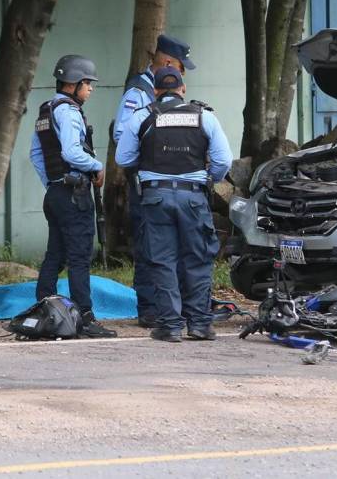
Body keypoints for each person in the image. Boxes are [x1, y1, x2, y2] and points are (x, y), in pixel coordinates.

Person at [115, 66, 233, 343]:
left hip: (155, 198)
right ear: (182, 89)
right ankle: (200, 324)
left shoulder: (141, 117)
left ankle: (169, 326)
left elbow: (123, 159)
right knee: (198, 258)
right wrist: (208, 179)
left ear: (154, 91)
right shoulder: (205, 117)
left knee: (162, 260)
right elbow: (223, 161)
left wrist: (148, 167)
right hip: (193, 197)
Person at [112, 34, 196, 328]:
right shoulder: (139, 92)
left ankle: (168, 306)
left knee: (168, 246)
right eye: (181, 67)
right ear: (168, 62)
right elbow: (122, 136)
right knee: (150, 244)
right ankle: (149, 308)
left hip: (165, 182)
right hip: (147, 181)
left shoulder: (157, 94)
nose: (182, 74)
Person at [30, 54, 117, 338]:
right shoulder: (67, 111)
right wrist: (96, 165)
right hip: (73, 195)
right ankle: (85, 319)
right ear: (74, 83)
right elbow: (71, 152)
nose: (90, 89)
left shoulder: (46, 110)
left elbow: (35, 155)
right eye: (87, 84)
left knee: (54, 254)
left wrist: (53, 184)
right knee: (79, 257)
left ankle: (44, 310)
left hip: (56, 194)